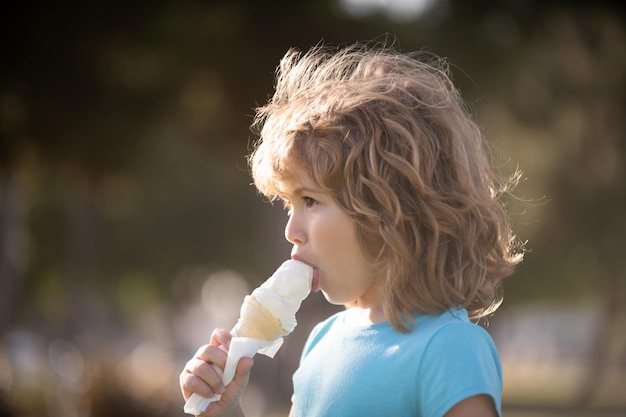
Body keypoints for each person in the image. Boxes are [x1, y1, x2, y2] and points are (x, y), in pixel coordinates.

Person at [179, 43, 524, 417]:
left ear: (387, 210)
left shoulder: (449, 348)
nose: (291, 231)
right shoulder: (321, 343)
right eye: (288, 205)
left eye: (309, 201)